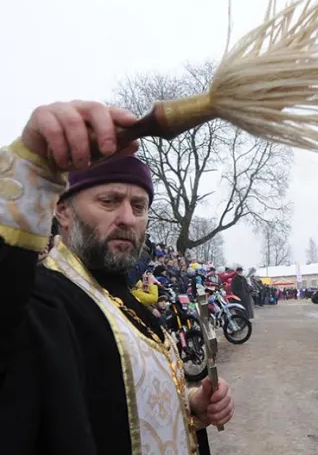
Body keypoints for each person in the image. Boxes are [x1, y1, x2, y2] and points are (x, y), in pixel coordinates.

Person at [0, 100, 234, 454]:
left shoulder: (126, 299)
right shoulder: (37, 302)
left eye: (139, 206)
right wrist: (26, 177)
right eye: (109, 201)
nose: (128, 218)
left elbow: (117, 409)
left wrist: (190, 406)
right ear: (62, 211)